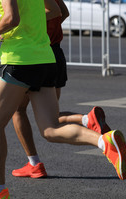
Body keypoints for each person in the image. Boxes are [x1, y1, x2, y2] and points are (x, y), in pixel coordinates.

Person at [0, 0, 126, 199]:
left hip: (20, 60)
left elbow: (12, 18)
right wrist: (15, 24)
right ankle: (104, 142)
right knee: (51, 128)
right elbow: (55, 10)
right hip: (45, 58)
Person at [11, 0, 111, 178]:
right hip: (56, 53)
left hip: (37, 52)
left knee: (19, 110)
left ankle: (34, 163)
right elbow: (63, 12)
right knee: (51, 114)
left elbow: (53, 12)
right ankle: (87, 120)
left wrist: (34, 28)